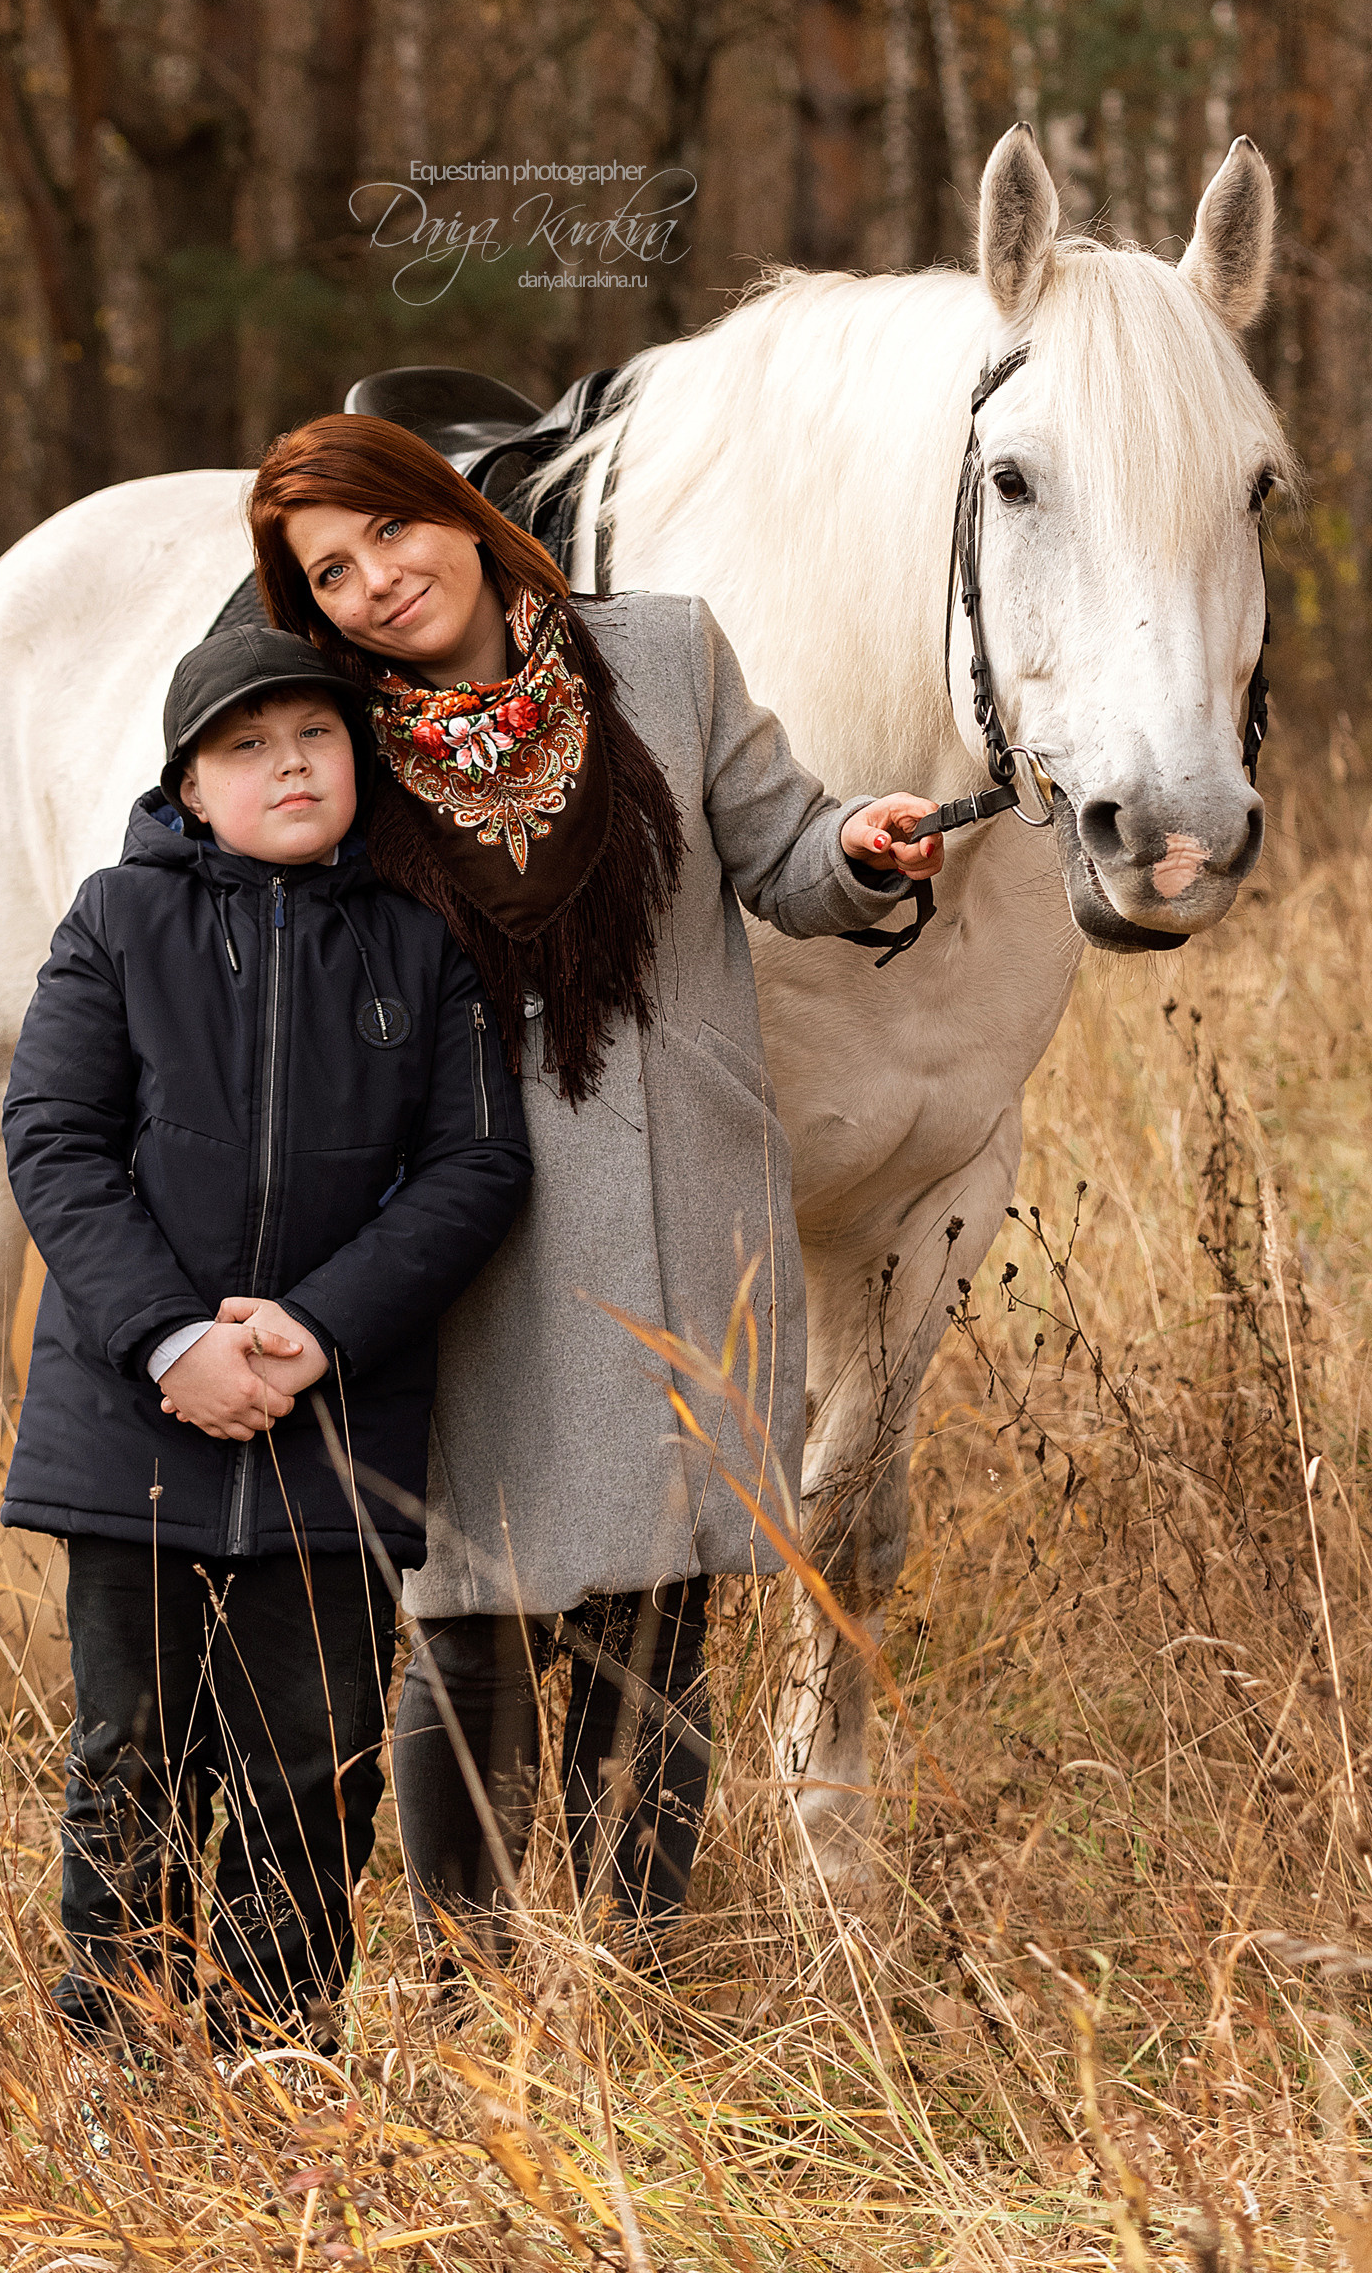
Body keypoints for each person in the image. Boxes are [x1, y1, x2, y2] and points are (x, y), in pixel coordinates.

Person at [247, 416, 945, 1974]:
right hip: (458, 1223)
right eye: (331, 575)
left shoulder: (666, 656)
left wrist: (865, 848)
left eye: (389, 535)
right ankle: (473, 1979)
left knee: (657, 1615)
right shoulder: (336, 740)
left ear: (460, 516)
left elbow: (783, 845)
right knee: (468, 1606)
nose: (376, 585)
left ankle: (638, 1969)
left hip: (670, 1186)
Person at [0, 627, 530, 2054]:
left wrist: (314, 1329)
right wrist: (174, 1340)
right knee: (131, 1753)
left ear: (359, 756)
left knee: (316, 1757)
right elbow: (53, 1140)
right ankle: (127, 2052)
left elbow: (479, 1164)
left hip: (332, 1430)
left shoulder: (425, 947)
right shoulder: (118, 920)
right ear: (187, 784)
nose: (287, 764)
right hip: (137, 1427)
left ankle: (277, 2051)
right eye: (245, 745)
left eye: (314, 734)